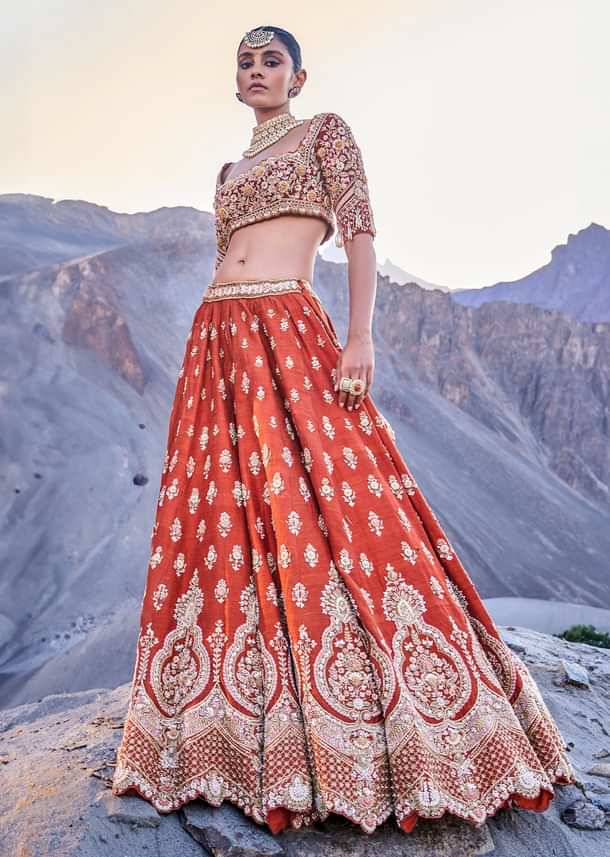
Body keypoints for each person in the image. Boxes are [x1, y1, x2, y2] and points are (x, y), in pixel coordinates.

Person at [111, 25, 576, 836]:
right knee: (228, 519)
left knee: (331, 507)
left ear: (298, 73)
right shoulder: (229, 172)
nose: (257, 71)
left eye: (271, 60)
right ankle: (228, 729)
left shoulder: (327, 133)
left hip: (289, 327)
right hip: (218, 341)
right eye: (245, 62)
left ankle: (384, 724)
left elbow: (359, 232)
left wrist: (360, 336)